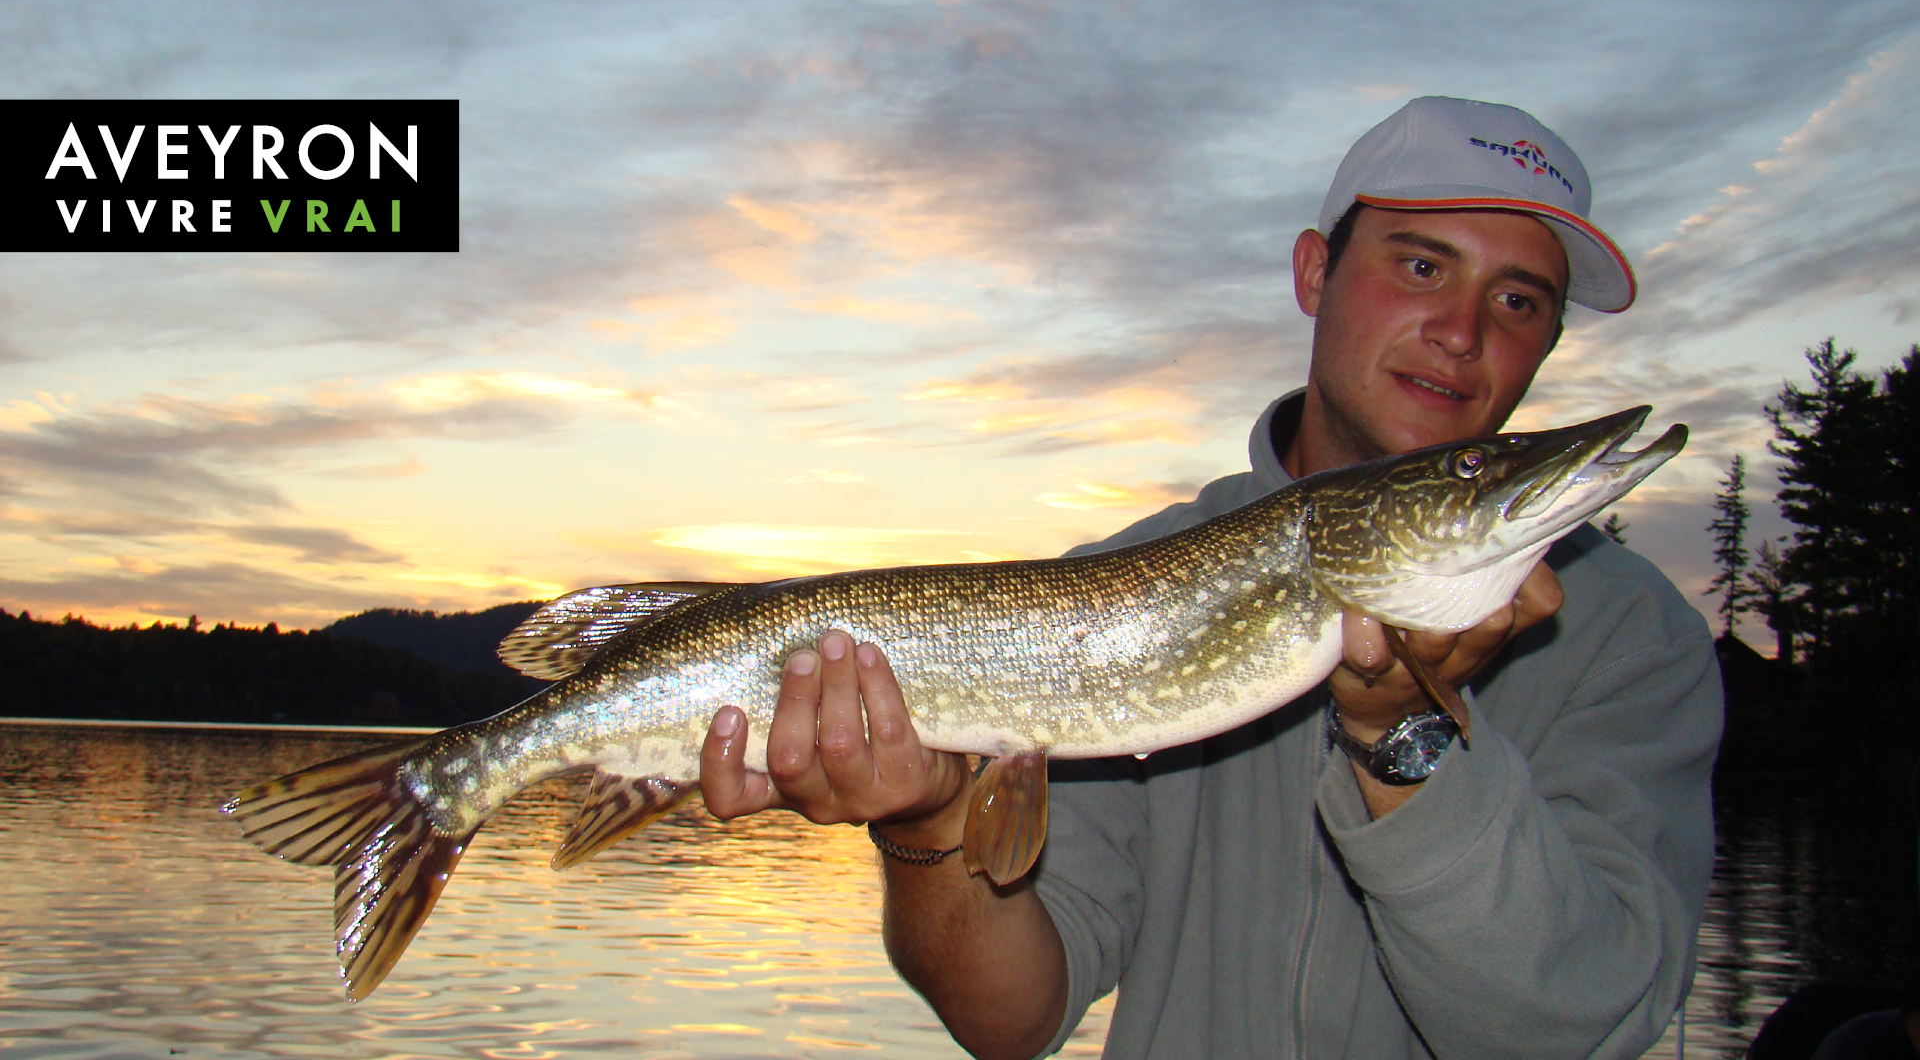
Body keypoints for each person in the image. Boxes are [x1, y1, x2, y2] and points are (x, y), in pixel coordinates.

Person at [698, 96, 1723, 1059]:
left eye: (1517, 299)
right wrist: (926, 824)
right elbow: (1011, 1022)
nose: (1463, 332)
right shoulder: (1110, 589)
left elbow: (1582, 1025)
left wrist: (1407, 740)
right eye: (1420, 267)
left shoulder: (1639, 643)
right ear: (1316, 273)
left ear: (1548, 341)